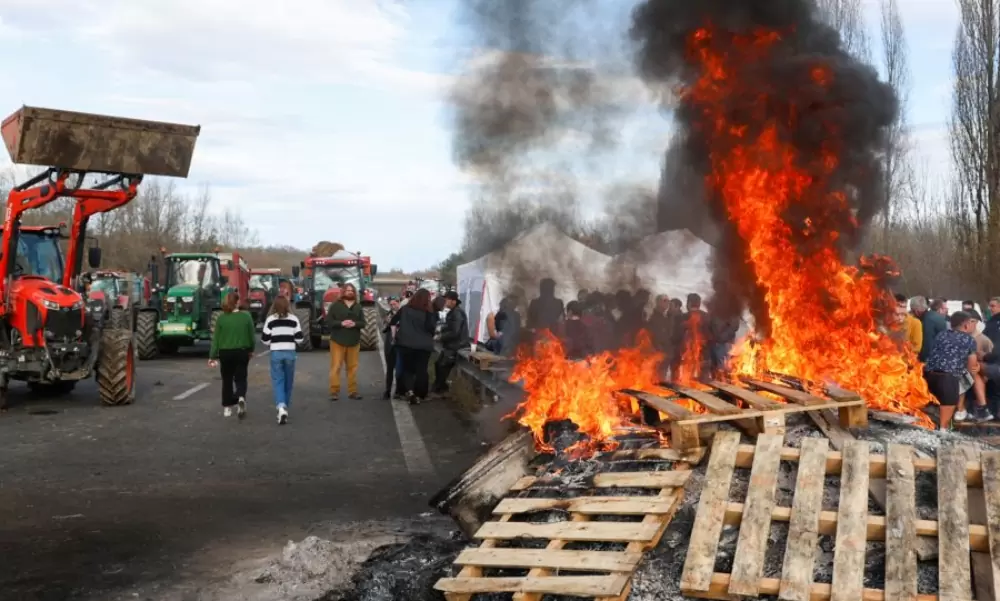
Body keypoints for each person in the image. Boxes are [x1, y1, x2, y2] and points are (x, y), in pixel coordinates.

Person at [924, 311, 992, 429]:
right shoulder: (969, 340)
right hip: (948, 379)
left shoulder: (941, 334)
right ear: (966, 325)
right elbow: (972, 366)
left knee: (962, 375)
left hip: (929, 376)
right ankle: (968, 411)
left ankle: (960, 412)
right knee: (971, 375)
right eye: (971, 323)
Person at [208, 292, 256, 418]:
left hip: (225, 353)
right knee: (241, 377)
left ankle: (227, 408)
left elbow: (216, 339)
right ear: (237, 302)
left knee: (227, 379)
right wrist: (251, 350)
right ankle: (240, 396)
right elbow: (252, 336)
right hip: (242, 351)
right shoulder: (246, 316)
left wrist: (212, 356)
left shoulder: (221, 318)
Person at [261, 295, 304, 424]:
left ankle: (281, 407)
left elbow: (265, 339)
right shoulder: (294, 319)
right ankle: (285, 406)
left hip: (276, 353)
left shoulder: (270, 320)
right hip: (290, 353)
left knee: (278, 380)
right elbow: (299, 339)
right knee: (288, 381)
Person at [391, 288, 437, 404]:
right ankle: (421, 394)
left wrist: (394, 335)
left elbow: (393, 321)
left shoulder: (405, 309)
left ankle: (409, 391)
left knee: (408, 369)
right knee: (421, 369)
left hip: (406, 344)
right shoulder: (429, 312)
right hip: (423, 345)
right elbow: (431, 328)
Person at [326, 283, 366, 401]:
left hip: (354, 341)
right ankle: (334, 391)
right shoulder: (335, 306)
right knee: (336, 366)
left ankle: (353, 391)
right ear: (343, 292)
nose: (350, 292)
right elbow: (329, 322)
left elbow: (363, 323)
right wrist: (341, 323)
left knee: (352, 367)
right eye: (347, 290)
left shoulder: (358, 307)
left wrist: (355, 324)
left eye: (352, 291)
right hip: (338, 340)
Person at [433, 291, 470, 396]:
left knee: (442, 366)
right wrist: (441, 329)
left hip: (457, 345)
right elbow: (450, 327)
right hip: (451, 345)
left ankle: (439, 390)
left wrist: (440, 337)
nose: (445, 301)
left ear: (454, 301)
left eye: (447, 299)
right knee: (438, 364)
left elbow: (455, 331)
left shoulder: (457, 313)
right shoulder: (453, 312)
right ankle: (439, 387)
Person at [382, 297, 401, 399]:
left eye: (395, 304)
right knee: (389, 368)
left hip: (400, 344)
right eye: (391, 304)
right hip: (389, 344)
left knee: (399, 369)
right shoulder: (388, 314)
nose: (393, 306)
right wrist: (388, 323)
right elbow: (384, 329)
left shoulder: (403, 313)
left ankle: (398, 390)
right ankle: (387, 390)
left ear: (398, 303)